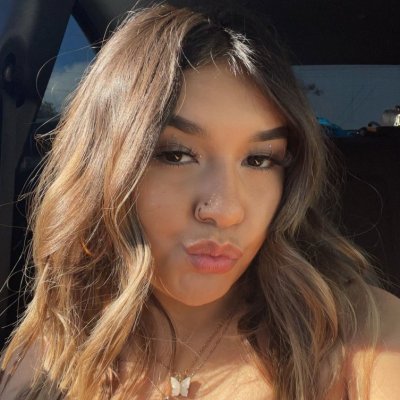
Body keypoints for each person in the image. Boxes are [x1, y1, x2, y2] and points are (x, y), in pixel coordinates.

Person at [1, 3, 400, 399]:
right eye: (176, 155)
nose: (225, 211)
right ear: (104, 166)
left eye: (259, 160)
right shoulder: (52, 348)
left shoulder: (365, 337)